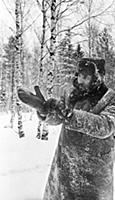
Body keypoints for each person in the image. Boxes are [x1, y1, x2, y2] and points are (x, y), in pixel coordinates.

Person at [18, 58, 115, 200]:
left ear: (97, 78)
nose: (81, 81)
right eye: (80, 76)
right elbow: (59, 118)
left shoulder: (110, 98)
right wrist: (45, 111)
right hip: (66, 166)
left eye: (86, 77)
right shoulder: (74, 95)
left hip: (94, 173)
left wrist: (70, 115)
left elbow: (106, 126)